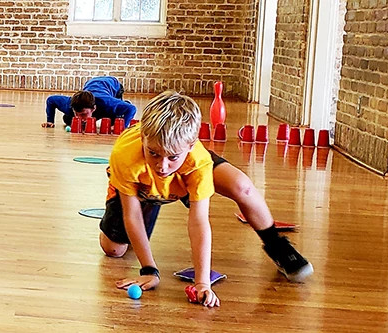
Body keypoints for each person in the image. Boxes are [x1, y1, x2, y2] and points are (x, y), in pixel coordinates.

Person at [101, 91, 313, 308]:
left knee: (243, 186)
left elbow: (198, 221)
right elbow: (132, 214)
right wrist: (149, 269)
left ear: (191, 145)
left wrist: (202, 283)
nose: (162, 165)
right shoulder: (124, 155)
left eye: (172, 157)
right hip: (141, 188)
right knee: (114, 249)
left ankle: (277, 246)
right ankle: (153, 202)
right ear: (143, 137)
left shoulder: (197, 163)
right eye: (153, 153)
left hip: (182, 179)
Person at [42, 76, 136, 128]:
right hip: (92, 83)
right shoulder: (69, 105)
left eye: (83, 114)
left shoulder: (107, 103)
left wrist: (123, 126)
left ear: (93, 108)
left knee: (114, 122)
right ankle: (78, 114)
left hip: (113, 86)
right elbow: (51, 100)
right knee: (69, 120)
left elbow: (132, 109)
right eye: (77, 114)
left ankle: (124, 104)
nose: (79, 118)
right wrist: (50, 121)